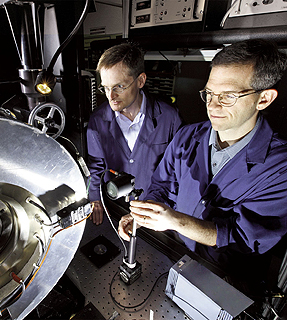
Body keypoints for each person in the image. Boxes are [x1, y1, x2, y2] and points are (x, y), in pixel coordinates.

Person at [118, 39, 287, 294]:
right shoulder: (188, 136)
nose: (212, 105)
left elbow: (244, 237)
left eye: (228, 96)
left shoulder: (280, 168)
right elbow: (162, 186)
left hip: (227, 281)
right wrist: (143, 216)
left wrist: (175, 221)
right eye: (209, 93)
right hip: (175, 256)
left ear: (263, 99)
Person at [87, 43, 182, 225]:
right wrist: (95, 198)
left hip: (156, 208)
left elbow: (177, 170)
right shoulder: (98, 120)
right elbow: (96, 165)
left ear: (140, 81)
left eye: (119, 86)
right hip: (116, 206)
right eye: (105, 88)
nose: (111, 96)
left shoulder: (169, 117)